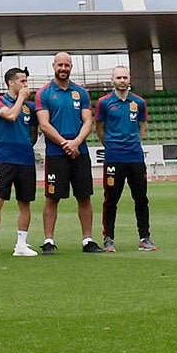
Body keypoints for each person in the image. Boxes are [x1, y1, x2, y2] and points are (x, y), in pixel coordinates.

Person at [37, 52, 101, 253]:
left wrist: (77, 142)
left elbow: (88, 121)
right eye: (60, 65)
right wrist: (66, 143)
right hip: (56, 153)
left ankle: (87, 240)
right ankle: (49, 241)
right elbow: (44, 124)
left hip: (79, 152)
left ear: (71, 66)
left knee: (84, 196)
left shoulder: (81, 93)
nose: (63, 68)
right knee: (52, 197)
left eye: (67, 65)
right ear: (53, 66)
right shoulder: (44, 93)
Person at [0, 67, 40, 258]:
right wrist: (21, 98)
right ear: (11, 83)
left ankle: (21, 244)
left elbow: (32, 134)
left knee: (25, 201)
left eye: (26, 81)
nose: (25, 85)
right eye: (21, 81)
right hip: (5, 158)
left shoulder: (30, 107)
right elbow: (11, 116)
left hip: (25, 159)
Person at [95, 65, 153, 253]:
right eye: (118, 77)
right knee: (111, 199)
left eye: (125, 77)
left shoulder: (139, 102)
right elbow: (100, 128)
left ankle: (145, 237)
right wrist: (110, 145)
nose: (122, 81)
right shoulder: (104, 103)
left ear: (129, 79)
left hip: (135, 158)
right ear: (112, 80)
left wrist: (135, 142)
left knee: (141, 199)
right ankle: (108, 238)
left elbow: (142, 125)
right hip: (114, 158)